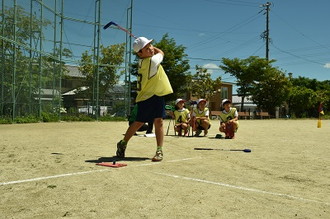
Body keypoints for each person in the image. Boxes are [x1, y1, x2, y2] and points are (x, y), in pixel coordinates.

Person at [116, 37, 173, 162]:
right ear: (139, 54)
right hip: (145, 96)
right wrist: (155, 47)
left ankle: (159, 150)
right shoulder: (152, 61)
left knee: (159, 121)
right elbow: (161, 52)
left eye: (151, 46)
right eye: (146, 48)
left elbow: (154, 51)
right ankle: (123, 142)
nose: (151, 49)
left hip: (157, 94)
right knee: (139, 123)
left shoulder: (144, 60)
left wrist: (146, 45)